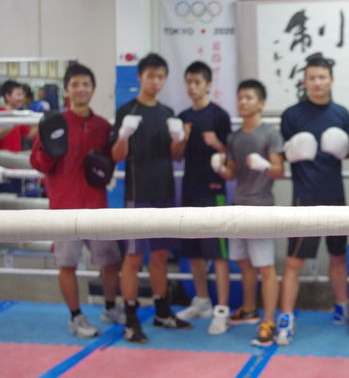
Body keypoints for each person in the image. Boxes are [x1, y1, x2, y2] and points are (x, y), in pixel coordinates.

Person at [29, 63, 123, 337]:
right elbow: (37, 163)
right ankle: (76, 317)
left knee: (110, 262)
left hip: (96, 206)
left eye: (86, 84)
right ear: (67, 89)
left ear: (93, 88)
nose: (81, 89)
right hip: (64, 207)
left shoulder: (102, 126)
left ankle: (110, 307)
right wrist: (49, 152)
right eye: (75, 84)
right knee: (67, 264)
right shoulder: (53, 123)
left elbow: (110, 163)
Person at [111, 53, 191, 343]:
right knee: (133, 257)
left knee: (159, 255)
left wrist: (180, 139)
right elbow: (116, 156)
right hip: (137, 193)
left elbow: (176, 157)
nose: (155, 82)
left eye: (160, 77)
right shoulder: (127, 110)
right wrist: (123, 135)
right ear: (140, 77)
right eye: (150, 76)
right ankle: (131, 318)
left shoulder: (168, 112)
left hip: (164, 192)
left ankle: (162, 310)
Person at [275, 54, 349, 347]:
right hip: (304, 196)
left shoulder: (341, 114)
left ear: (331, 80)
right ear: (304, 81)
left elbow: (348, 152)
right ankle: (286, 318)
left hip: (335, 194)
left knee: (338, 256)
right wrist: (292, 152)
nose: (317, 83)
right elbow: (282, 158)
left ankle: (342, 307)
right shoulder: (292, 115)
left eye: (322, 77)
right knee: (294, 261)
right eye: (312, 78)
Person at [212, 79, 284, 346]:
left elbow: (280, 172)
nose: (243, 102)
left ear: (261, 103)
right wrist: (220, 168)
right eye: (240, 97)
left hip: (261, 208)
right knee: (243, 262)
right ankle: (250, 308)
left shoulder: (270, 134)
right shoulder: (235, 137)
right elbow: (232, 173)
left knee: (266, 267)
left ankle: (269, 321)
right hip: (238, 206)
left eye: (249, 98)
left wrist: (265, 165)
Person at [172, 61, 233, 335]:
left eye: (197, 82)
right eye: (189, 82)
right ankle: (202, 301)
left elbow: (232, 155)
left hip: (213, 190)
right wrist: (182, 139)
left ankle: (222, 309)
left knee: (218, 253)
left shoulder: (220, 116)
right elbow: (176, 157)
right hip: (189, 188)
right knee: (193, 251)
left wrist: (217, 144)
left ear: (208, 84)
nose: (192, 87)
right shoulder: (182, 116)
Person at [1, 80, 37, 193]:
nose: (22, 98)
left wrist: (42, 122)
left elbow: (29, 134)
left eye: (22, 95)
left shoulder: (19, 115)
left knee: (16, 197)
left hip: (16, 166)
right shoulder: (2, 113)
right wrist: (13, 122)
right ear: (7, 96)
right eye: (18, 94)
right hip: (2, 167)